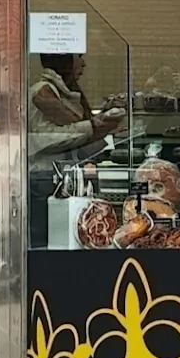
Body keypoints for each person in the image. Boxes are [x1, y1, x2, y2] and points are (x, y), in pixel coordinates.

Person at [28, 53, 124, 246]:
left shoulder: (64, 91)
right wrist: (92, 127)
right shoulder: (42, 91)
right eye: (79, 56)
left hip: (66, 178)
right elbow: (45, 139)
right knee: (47, 241)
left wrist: (103, 128)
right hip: (45, 179)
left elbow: (76, 133)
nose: (84, 63)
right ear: (64, 60)